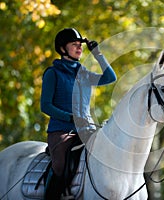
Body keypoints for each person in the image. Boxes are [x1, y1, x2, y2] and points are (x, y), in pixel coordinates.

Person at [40, 28, 117, 199]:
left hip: (87, 130)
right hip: (61, 131)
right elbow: (45, 106)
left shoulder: (84, 74)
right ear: (62, 49)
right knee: (59, 166)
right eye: (74, 45)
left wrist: (97, 53)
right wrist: (70, 117)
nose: (79, 48)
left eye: (80, 45)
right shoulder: (52, 73)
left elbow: (111, 78)